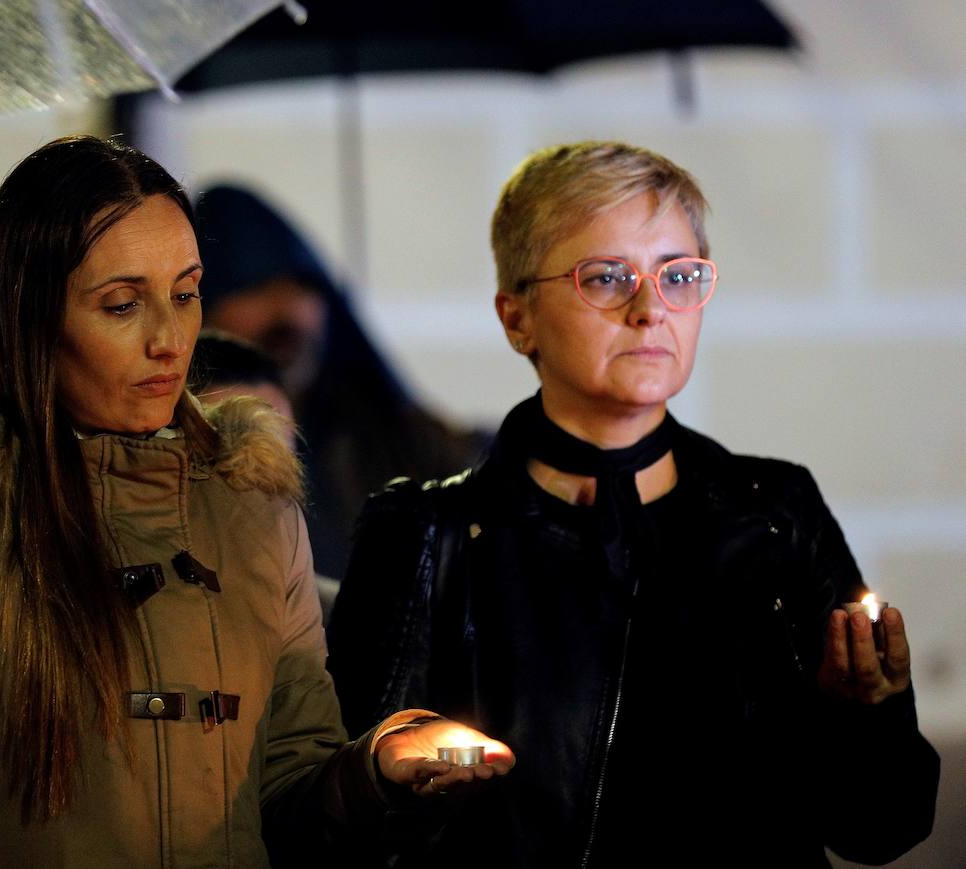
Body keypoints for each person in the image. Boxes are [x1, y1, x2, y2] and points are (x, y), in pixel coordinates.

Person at [0, 135, 512, 868]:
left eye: (185, 293)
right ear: (33, 314)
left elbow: (291, 792)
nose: (170, 339)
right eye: (121, 305)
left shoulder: (250, 506)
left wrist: (376, 768)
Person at [328, 141, 940, 866]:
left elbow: (880, 828)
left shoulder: (774, 512)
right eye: (608, 277)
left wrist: (867, 713)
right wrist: (394, 780)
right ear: (516, 316)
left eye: (679, 275)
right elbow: (347, 835)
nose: (651, 309)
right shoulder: (427, 537)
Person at [193, 185, 484, 581]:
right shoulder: (174, 461)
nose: (288, 311)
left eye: (304, 288)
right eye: (254, 287)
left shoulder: (401, 443)